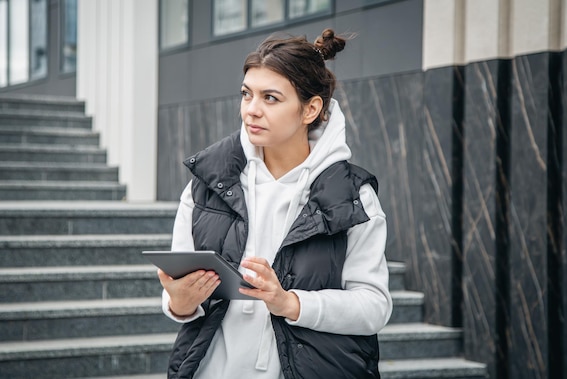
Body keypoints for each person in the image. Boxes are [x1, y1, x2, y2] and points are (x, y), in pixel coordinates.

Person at [157, 28, 392, 379]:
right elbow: (179, 294)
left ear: (310, 109)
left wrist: (290, 303)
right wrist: (180, 301)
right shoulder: (208, 184)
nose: (251, 110)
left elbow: (374, 307)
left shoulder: (352, 197)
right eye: (246, 94)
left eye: (270, 98)